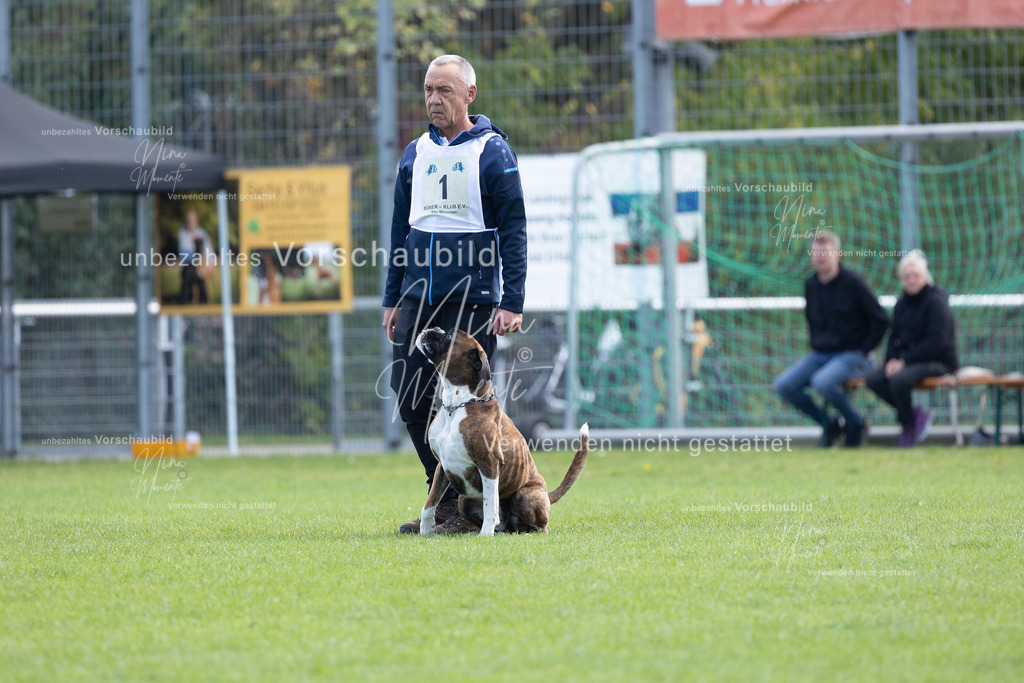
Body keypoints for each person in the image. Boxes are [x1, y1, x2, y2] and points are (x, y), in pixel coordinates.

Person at [381, 54, 527, 534]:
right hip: (418, 300)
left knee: (472, 412)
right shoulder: (414, 152)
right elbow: (401, 230)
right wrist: (392, 296)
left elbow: (513, 229)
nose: (433, 99)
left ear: (469, 95)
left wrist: (512, 300)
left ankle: (477, 509)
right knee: (408, 396)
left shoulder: (493, 151)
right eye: (428, 89)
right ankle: (445, 501)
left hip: (473, 301)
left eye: (444, 90)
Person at [774, 231, 889, 447]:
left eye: (825, 252)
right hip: (821, 354)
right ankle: (830, 424)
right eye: (816, 252)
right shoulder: (811, 285)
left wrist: (864, 349)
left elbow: (881, 319)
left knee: (822, 382)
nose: (821, 257)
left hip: (853, 354)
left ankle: (856, 423)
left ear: (837, 254)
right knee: (784, 386)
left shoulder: (853, 283)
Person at [866, 250, 958, 447]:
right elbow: (894, 337)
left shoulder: (936, 302)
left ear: (925, 276)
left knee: (899, 381)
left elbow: (937, 342)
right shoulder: (902, 304)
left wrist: (904, 361)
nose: (911, 280)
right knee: (873, 380)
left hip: (939, 361)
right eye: (907, 276)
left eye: (915, 275)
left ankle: (908, 426)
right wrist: (891, 361)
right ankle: (915, 416)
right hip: (908, 361)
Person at [177, 208, 216, 304]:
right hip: (188, 267)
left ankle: (204, 302)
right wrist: (198, 259)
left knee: (201, 275)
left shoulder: (202, 233)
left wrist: (207, 262)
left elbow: (210, 253)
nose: (191, 222)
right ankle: (186, 300)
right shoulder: (182, 234)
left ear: (196, 220)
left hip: (201, 267)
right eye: (189, 219)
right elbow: (184, 254)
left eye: (193, 219)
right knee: (190, 272)